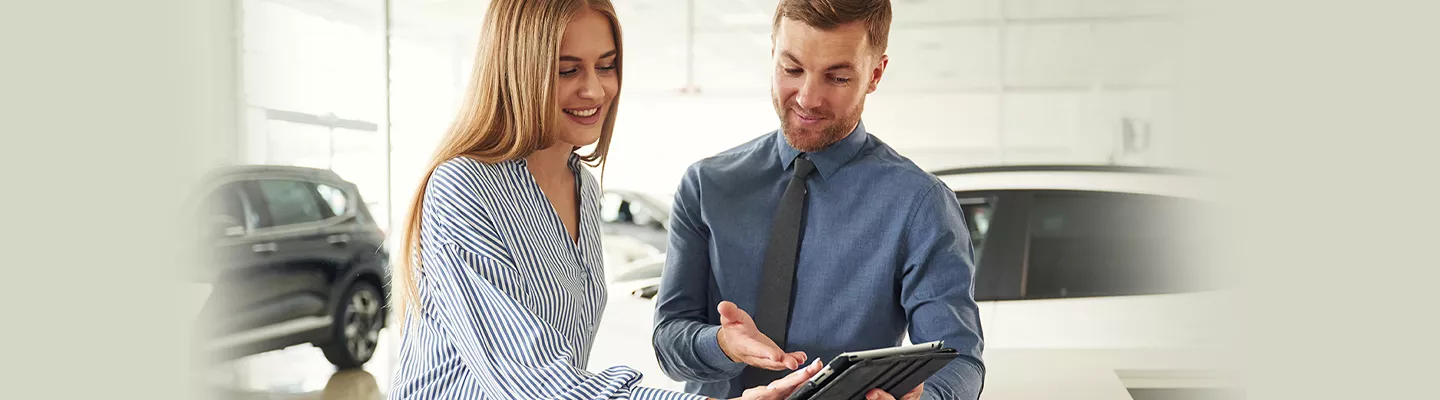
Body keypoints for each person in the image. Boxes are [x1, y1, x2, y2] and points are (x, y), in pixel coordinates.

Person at [387, 1, 823, 399]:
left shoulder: (583, 187)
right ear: (517, 71)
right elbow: (530, 381)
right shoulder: (463, 187)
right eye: (567, 70)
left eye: (606, 66)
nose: (595, 91)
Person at [651, 1, 985, 400]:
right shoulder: (706, 185)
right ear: (773, 52)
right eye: (792, 69)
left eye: (838, 77)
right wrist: (722, 344)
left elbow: (959, 358)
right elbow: (669, 340)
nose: (808, 98)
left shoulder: (920, 204)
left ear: (874, 74)